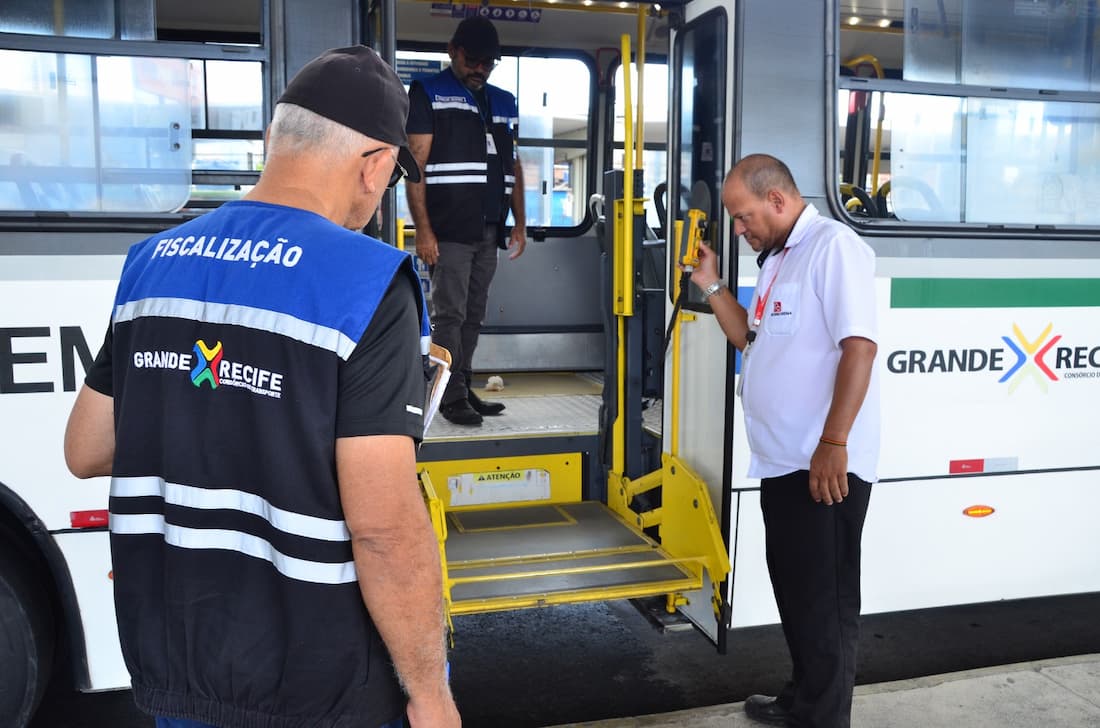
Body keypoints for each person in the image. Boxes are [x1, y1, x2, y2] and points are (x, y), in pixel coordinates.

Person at [63, 46, 460, 728]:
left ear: (273, 139)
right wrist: (430, 695)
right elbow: (386, 530)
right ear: (374, 166)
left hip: (181, 673)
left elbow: (87, 448)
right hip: (319, 689)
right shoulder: (367, 283)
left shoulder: (151, 263)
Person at [687, 154, 880, 728]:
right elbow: (751, 337)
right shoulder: (778, 260)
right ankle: (802, 697)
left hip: (824, 464)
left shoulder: (832, 248)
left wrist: (835, 441)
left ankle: (823, 718)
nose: (740, 230)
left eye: (744, 218)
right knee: (796, 595)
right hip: (782, 462)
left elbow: (860, 348)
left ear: (777, 200)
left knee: (826, 605)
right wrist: (711, 283)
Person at [405, 15, 527, 426]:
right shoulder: (429, 93)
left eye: (489, 62)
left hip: (488, 227)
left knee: (474, 314)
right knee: (449, 316)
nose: (481, 69)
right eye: (473, 60)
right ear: (452, 52)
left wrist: (520, 222)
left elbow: (514, 165)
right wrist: (423, 231)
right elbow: (415, 166)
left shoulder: (504, 100)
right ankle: (446, 393)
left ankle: (462, 384)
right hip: (449, 229)